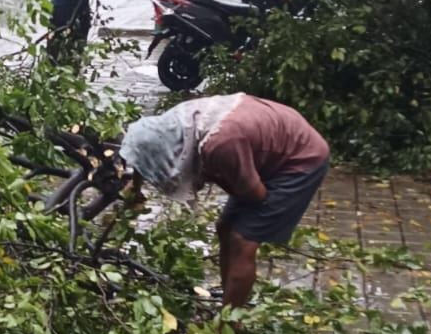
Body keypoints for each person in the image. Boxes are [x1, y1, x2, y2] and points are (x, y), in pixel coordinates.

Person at [119, 94, 330, 307]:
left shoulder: (220, 147)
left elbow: (257, 196)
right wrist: (135, 187)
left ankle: (228, 324)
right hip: (268, 143)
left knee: (242, 239)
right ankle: (230, 295)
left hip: (301, 160)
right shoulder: (172, 125)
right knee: (224, 226)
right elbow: (144, 147)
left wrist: (254, 218)